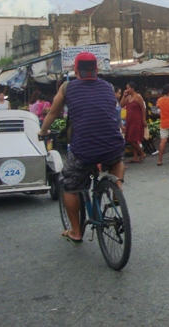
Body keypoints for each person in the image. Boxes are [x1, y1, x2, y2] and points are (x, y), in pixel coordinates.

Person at [39, 52, 125, 244]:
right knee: (117, 160)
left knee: (69, 185)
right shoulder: (109, 87)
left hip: (84, 148)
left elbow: (54, 113)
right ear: (97, 69)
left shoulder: (67, 87)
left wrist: (43, 131)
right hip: (112, 142)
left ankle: (76, 232)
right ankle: (117, 189)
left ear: (76, 70)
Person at [121, 82, 147, 164]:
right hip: (129, 120)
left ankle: (142, 153)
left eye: (128, 88)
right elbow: (121, 105)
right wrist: (124, 95)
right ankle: (135, 157)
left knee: (131, 139)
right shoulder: (128, 97)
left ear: (132, 88)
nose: (127, 89)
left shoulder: (138, 97)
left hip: (137, 120)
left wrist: (143, 119)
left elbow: (143, 108)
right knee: (132, 139)